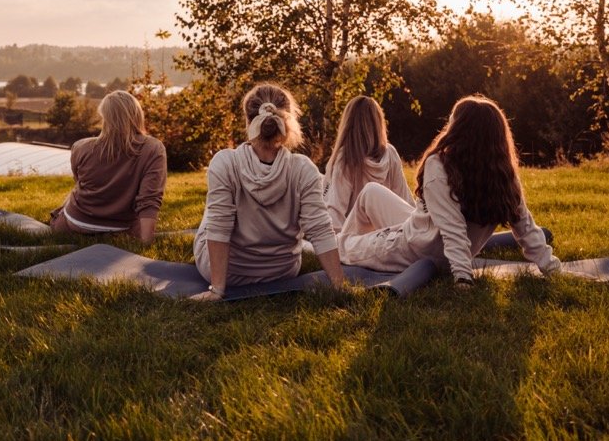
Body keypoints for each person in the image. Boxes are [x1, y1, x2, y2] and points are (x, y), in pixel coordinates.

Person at [338, 95, 560, 284]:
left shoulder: (440, 164)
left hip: (408, 250)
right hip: (427, 237)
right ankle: (335, 238)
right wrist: (551, 268)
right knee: (371, 192)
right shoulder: (502, 174)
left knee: (342, 245)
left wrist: (463, 278)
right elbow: (527, 229)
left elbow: (453, 230)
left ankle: (315, 245)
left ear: (460, 130)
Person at [192, 83, 346, 300]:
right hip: (281, 272)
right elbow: (320, 229)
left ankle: (219, 282)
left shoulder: (225, 162)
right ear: (288, 121)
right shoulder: (304, 169)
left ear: (248, 121)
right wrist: (340, 286)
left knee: (214, 212)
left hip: (229, 274)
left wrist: (217, 290)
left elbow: (219, 226)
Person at [49, 90, 167, 243]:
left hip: (77, 223)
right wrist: (147, 243)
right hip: (123, 228)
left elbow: (78, 183)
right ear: (137, 115)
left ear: (105, 117)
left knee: (72, 196)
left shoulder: (80, 147)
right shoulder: (153, 148)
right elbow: (149, 199)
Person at [323, 95, 413, 232]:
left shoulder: (347, 157)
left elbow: (334, 214)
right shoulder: (391, 153)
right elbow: (405, 201)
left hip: (356, 239)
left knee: (320, 184)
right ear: (378, 124)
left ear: (348, 124)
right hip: (386, 234)